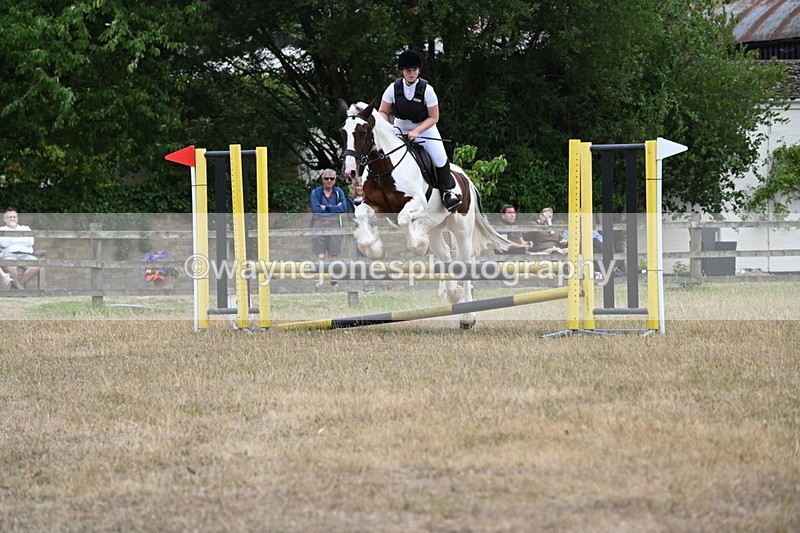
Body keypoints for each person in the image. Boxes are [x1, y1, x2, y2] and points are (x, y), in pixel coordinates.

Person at [378, 49, 461, 212]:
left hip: (425, 127)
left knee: (439, 157)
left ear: (419, 70)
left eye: (415, 69)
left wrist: (417, 131)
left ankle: (447, 192)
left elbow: (434, 117)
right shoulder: (392, 89)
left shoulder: (427, 90)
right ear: (402, 71)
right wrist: (389, 128)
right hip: (400, 126)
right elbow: (382, 111)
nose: (411, 73)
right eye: (408, 70)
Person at [310, 170, 347, 286]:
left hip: (334, 225)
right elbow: (316, 209)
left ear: (335, 180)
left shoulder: (339, 192)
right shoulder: (315, 192)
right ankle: (319, 280)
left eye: (331, 179)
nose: (329, 181)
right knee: (319, 255)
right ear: (322, 180)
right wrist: (334, 207)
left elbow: (344, 208)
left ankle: (333, 280)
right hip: (319, 224)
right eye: (326, 178)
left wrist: (326, 207)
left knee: (333, 255)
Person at [0, 208, 40, 289]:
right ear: (5, 219)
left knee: (35, 267)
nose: (12, 219)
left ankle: (16, 287)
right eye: (9, 217)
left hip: (26, 254)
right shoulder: (2, 230)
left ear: (17, 218)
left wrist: (13, 238)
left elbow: (30, 242)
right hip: (9, 254)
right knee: (10, 268)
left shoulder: (25, 228)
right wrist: (13, 232)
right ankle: (20, 289)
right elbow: (4, 244)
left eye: (14, 217)